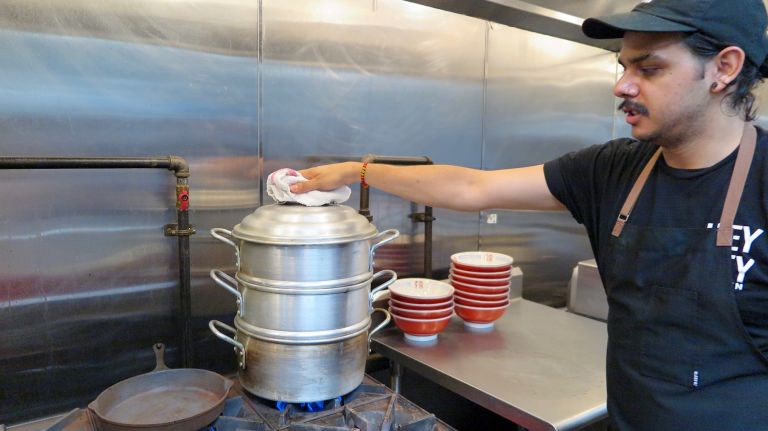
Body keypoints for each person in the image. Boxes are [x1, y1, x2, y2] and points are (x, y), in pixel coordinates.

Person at [290, 0, 768, 429]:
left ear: (723, 68)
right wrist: (357, 171)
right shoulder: (614, 170)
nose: (622, 85)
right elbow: (472, 187)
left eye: (650, 68)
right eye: (623, 66)